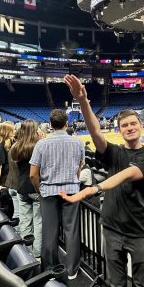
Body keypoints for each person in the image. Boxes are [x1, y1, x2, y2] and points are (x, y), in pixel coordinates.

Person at [62, 75, 144, 287]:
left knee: (142, 284)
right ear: (119, 130)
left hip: (138, 232)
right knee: (116, 284)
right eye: (124, 125)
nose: (129, 128)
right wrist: (82, 102)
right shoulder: (113, 152)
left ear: (140, 127)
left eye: (133, 124)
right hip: (111, 228)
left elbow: (130, 175)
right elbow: (95, 134)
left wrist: (94, 189)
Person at [29, 109, 85, 278]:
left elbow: (33, 174)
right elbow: (79, 167)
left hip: (48, 191)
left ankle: (49, 269)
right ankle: (72, 270)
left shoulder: (41, 144)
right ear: (67, 123)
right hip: (71, 191)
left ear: (50, 124)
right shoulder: (78, 142)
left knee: (49, 231)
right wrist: (73, 182)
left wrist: (40, 190)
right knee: (72, 231)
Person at [10, 120, 43, 259]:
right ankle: (37, 254)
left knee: (25, 222)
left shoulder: (16, 147)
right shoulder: (38, 146)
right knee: (38, 223)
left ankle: (26, 254)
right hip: (36, 188)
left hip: (22, 188)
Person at [0, 122, 15, 190]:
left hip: (10, 180)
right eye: (13, 130)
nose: (15, 131)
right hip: (4, 182)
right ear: (6, 132)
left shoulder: (11, 144)